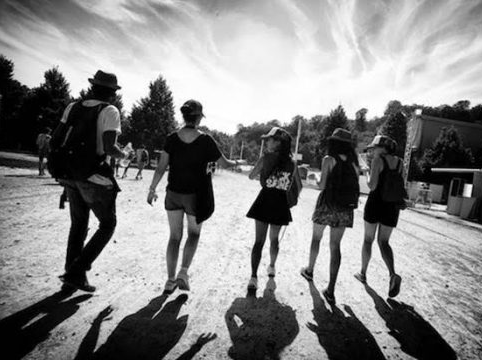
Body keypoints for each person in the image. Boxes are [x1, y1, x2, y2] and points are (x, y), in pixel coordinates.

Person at [147, 99, 237, 294]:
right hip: (195, 196)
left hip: (173, 193)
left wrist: (152, 188)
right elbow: (224, 163)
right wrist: (238, 161)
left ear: (184, 116)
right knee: (194, 234)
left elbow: (161, 167)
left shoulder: (171, 138)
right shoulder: (206, 140)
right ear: (198, 118)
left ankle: (170, 281)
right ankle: (184, 272)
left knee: (174, 237)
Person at [52, 70, 128, 292]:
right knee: (107, 224)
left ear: (92, 87)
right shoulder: (110, 110)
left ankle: (72, 276)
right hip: (90, 174)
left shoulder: (72, 107)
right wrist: (124, 155)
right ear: (112, 93)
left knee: (78, 225)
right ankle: (77, 270)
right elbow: (109, 148)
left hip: (68, 173)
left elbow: (56, 138)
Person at [300, 128, 360, 304]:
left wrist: (315, 178)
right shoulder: (355, 163)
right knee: (335, 246)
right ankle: (331, 289)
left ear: (334, 142)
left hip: (327, 204)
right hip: (345, 208)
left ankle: (310, 270)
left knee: (316, 239)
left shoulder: (329, 159)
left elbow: (322, 186)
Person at [246, 127, 296, 291]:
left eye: (269, 139)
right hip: (280, 203)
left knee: (258, 241)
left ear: (278, 143)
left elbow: (251, 176)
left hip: (264, 201)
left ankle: (253, 278)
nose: (266, 142)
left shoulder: (265, 158)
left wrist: (262, 175)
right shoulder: (291, 163)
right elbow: (289, 187)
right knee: (274, 240)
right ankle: (272, 267)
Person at [354, 135, 403, 298]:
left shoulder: (377, 161)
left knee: (368, 240)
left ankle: (363, 273)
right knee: (384, 242)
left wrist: (367, 172)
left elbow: (371, 185)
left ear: (383, 148)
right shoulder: (400, 162)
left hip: (375, 204)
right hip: (392, 207)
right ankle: (392, 275)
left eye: (374, 148)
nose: (372, 151)